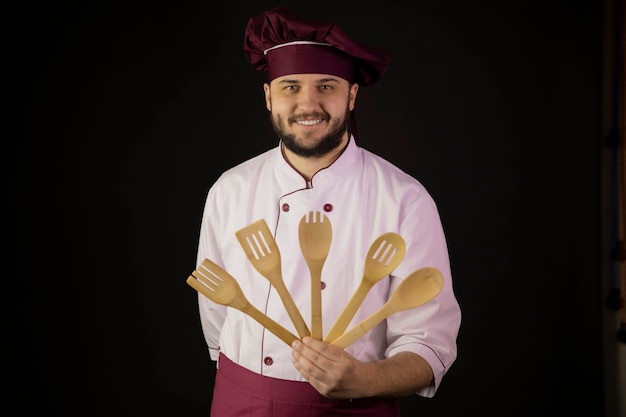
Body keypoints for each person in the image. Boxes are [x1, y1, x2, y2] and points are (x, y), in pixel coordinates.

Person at [193, 6, 461, 416]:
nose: (308, 104)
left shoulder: (405, 199)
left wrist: (368, 379)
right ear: (268, 97)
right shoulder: (230, 189)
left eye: (326, 86)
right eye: (290, 87)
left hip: (355, 407)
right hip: (240, 400)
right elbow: (217, 317)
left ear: (351, 95)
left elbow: (430, 342)